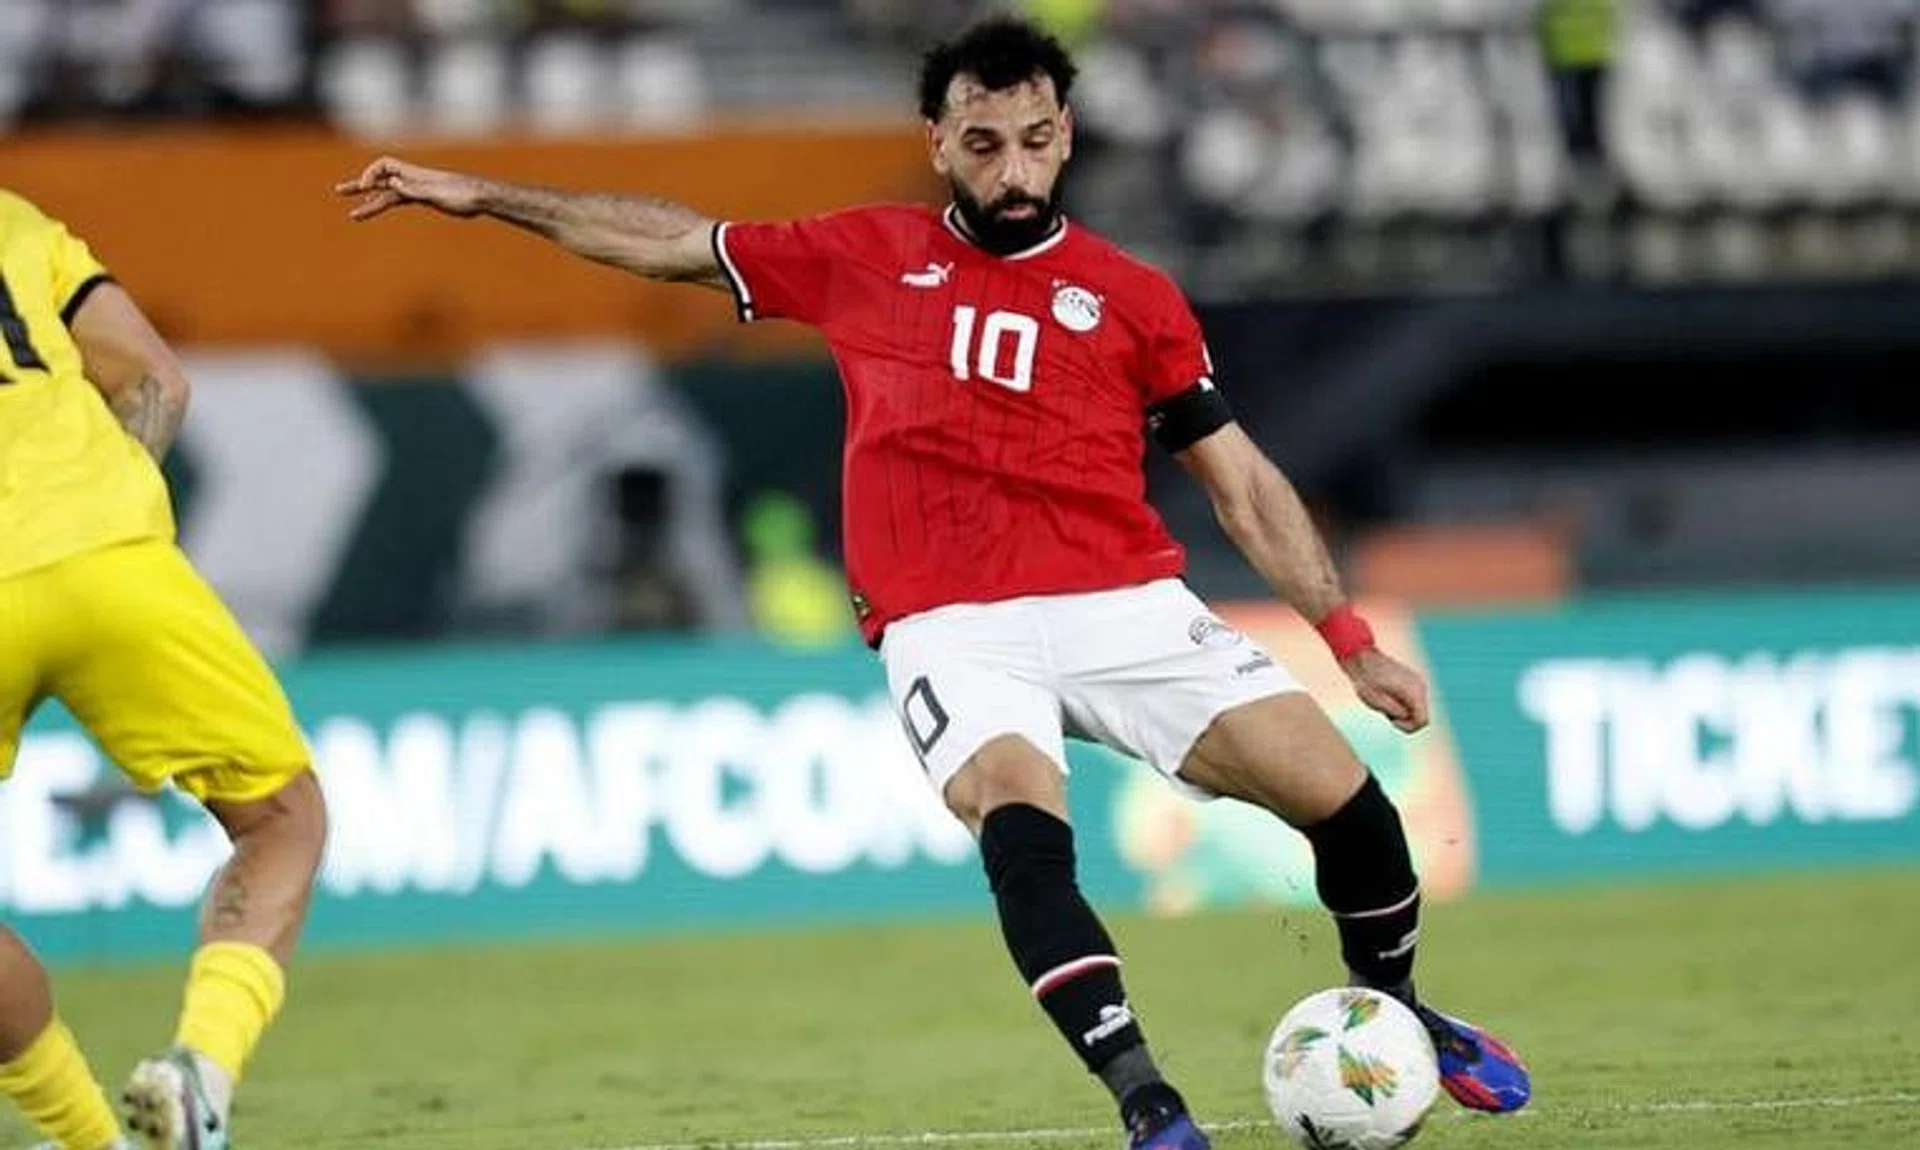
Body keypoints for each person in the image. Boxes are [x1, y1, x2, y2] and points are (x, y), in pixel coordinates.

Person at [335, 15, 1531, 1147]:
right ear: (939, 144)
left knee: (1350, 803)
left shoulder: (1135, 299)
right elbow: (667, 240)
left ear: (1065, 133)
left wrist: (1347, 633)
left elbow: (1246, 486)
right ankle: (1147, 1101)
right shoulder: (865, 254)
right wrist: (488, 196)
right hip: (951, 623)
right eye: (983, 143)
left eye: (1035, 140)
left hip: (1124, 603)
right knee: (1021, 827)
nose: (1013, 169)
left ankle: (1403, 1008)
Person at [0, 189, 329, 1150]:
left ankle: (92, 1141)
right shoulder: (15, 224)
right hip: (112, 561)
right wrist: (104, 517)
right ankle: (203, 1070)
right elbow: (157, 380)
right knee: (282, 817)